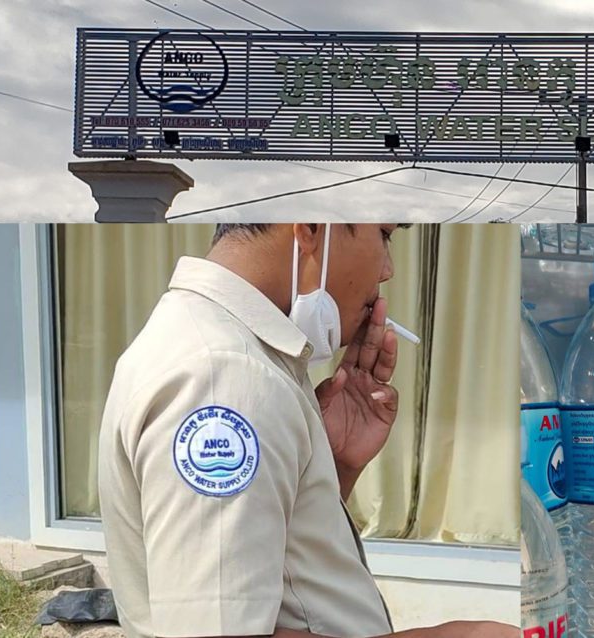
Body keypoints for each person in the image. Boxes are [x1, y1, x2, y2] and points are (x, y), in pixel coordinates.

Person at [98, 223, 517, 638]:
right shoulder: (223, 377)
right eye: (385, 235)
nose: (387, 269)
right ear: (312, 226)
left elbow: (274, 578)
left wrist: (335, 467)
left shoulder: (226, 349)